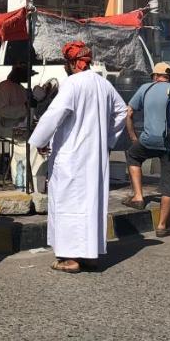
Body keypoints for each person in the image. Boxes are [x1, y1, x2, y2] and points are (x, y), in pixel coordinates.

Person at [29, 41, 129, 274]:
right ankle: (89, 256)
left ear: (74, 63)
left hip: (72, 157)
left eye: (66, 63)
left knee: (69, 205)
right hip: (94, 158)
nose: (65, 67)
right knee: (90, 205)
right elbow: (122, 111)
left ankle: (72, 258)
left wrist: (39, 141)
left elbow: (55, 114)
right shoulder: (103, 84)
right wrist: (107, 140)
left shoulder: (72, 84)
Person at [125, 61, 170, 237]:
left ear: (155, 76)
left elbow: (129, 112)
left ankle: (138, 197)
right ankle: (162, 226)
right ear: (169, 77)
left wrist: (134, 136)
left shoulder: (145, 89)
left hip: (148, 141)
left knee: (133, 156)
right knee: (168, 184)